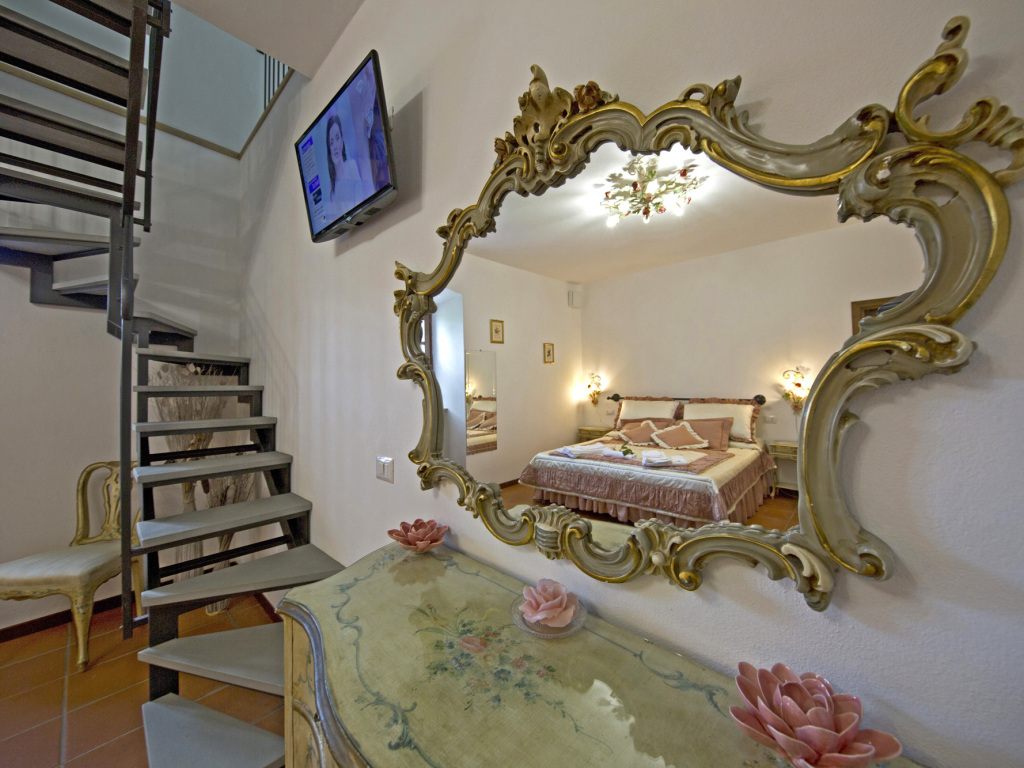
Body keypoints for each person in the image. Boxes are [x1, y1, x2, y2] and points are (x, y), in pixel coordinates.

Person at [324, 114, 366, 217]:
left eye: (337, 138)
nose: (335, 146)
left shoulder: (351, 166)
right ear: (329, 149)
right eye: (331, 143)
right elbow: (332, 221)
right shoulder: (329, 189)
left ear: (342, 141)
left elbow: (361, 205)